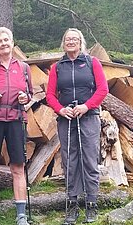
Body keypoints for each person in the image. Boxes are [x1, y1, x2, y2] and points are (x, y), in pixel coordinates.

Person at [46, 28, 108, 224]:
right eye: (67, 39)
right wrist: (60, 110)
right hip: (67, 119)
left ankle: (91, 203)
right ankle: (72, 203)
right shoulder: (57, 67)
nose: (71, 42)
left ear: (81, 43)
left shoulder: (92, 63)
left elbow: (102, 89)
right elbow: (50, 95)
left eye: (74, 39)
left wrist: (86, 106)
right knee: (70, 161)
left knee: (89, 160)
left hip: (89, 117)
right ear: (63, 43)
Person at [0, 27, 33, 225]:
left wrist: (24, 97)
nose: (3, 43)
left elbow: (29, 93)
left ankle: (21, 215)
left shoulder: (24, 67)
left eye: (6, 40)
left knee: (18, 166)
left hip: (17, 118)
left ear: (12, 42)